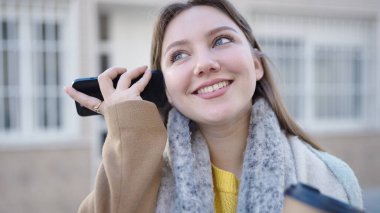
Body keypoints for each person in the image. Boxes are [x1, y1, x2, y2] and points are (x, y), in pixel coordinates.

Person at [64, 0, 363, 212]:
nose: (205, 65)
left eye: (221, 40)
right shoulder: (143, 186)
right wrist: (127, 136)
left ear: (256, 65)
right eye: (179, 55)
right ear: (164, 86)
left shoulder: (331, 179)